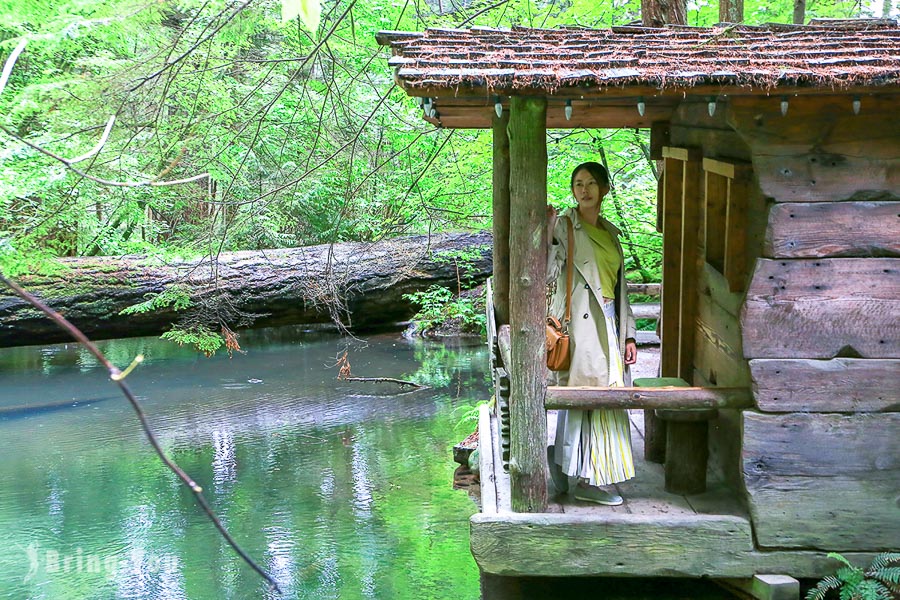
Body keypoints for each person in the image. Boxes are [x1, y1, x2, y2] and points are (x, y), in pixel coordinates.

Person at [546, 161, 638, 506]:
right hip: (583, 324)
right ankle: (586, 478)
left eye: (590, 183)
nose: (583, 190)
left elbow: (620, 286)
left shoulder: (611, 232)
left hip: (609, 321)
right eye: (578, 183)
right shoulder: (565, 226)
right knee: (590, 395)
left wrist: (629, 335)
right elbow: (544, 267)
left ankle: (567, 465)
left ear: (604, 190)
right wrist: (546, 227)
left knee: (603, 396)